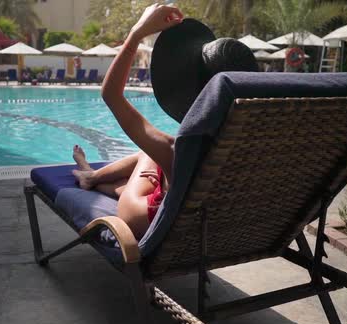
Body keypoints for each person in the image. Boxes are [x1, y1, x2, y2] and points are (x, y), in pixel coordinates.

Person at [71, 4, 258, 239]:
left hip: (144, 217)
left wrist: (137, 32)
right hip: (213, 228)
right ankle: (91, 177)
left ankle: (90, 176)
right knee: (156, 160)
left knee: (149, 155)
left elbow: (111, 95)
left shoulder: (180, 150)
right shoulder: (252, 141)